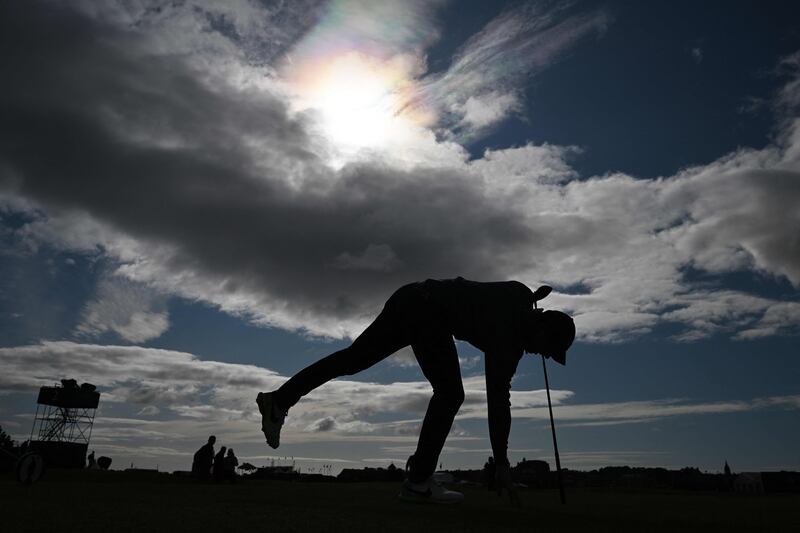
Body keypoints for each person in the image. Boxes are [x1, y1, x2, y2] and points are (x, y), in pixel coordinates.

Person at [256, 277, 575, 504]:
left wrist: (527, 310)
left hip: (410, 297)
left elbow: (514, 301)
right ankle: (418, 483)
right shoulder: (509, 340)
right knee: (451, 394)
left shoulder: (521, 299)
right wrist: (503, 463)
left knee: (354, 360)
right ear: (542, 328)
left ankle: (279, 400)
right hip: (426, 310)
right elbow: (498, 401)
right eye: (548, 349)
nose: (543, 355)